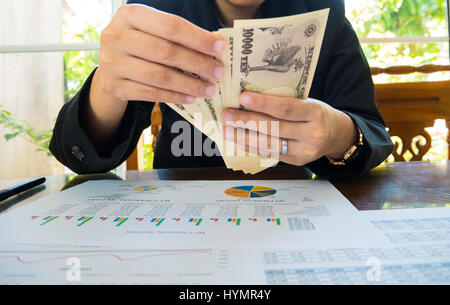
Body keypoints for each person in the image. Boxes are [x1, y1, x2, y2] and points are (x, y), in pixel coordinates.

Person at [50, 0, 393, 177]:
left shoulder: (325, 14)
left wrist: (335, 135)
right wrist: (109, 86)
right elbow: (79, 156)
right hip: (181, 214)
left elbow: (370, 132)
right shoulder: (158, 11)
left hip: (290, 208)